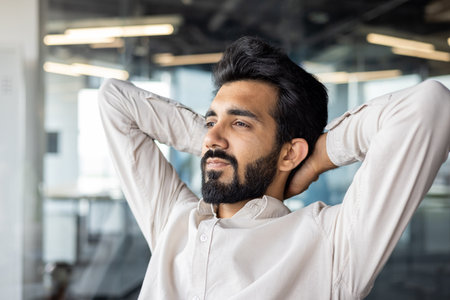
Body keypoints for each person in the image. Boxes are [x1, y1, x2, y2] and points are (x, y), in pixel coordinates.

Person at [98, 36, 450, 299]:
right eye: (210, 121)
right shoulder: (175, 220)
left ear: (289, 154)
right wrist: (217, 142)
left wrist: (316, 159)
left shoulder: (331, 246)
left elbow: (429, 107)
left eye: (241, 124)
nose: (212, 137)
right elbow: (115, 100)